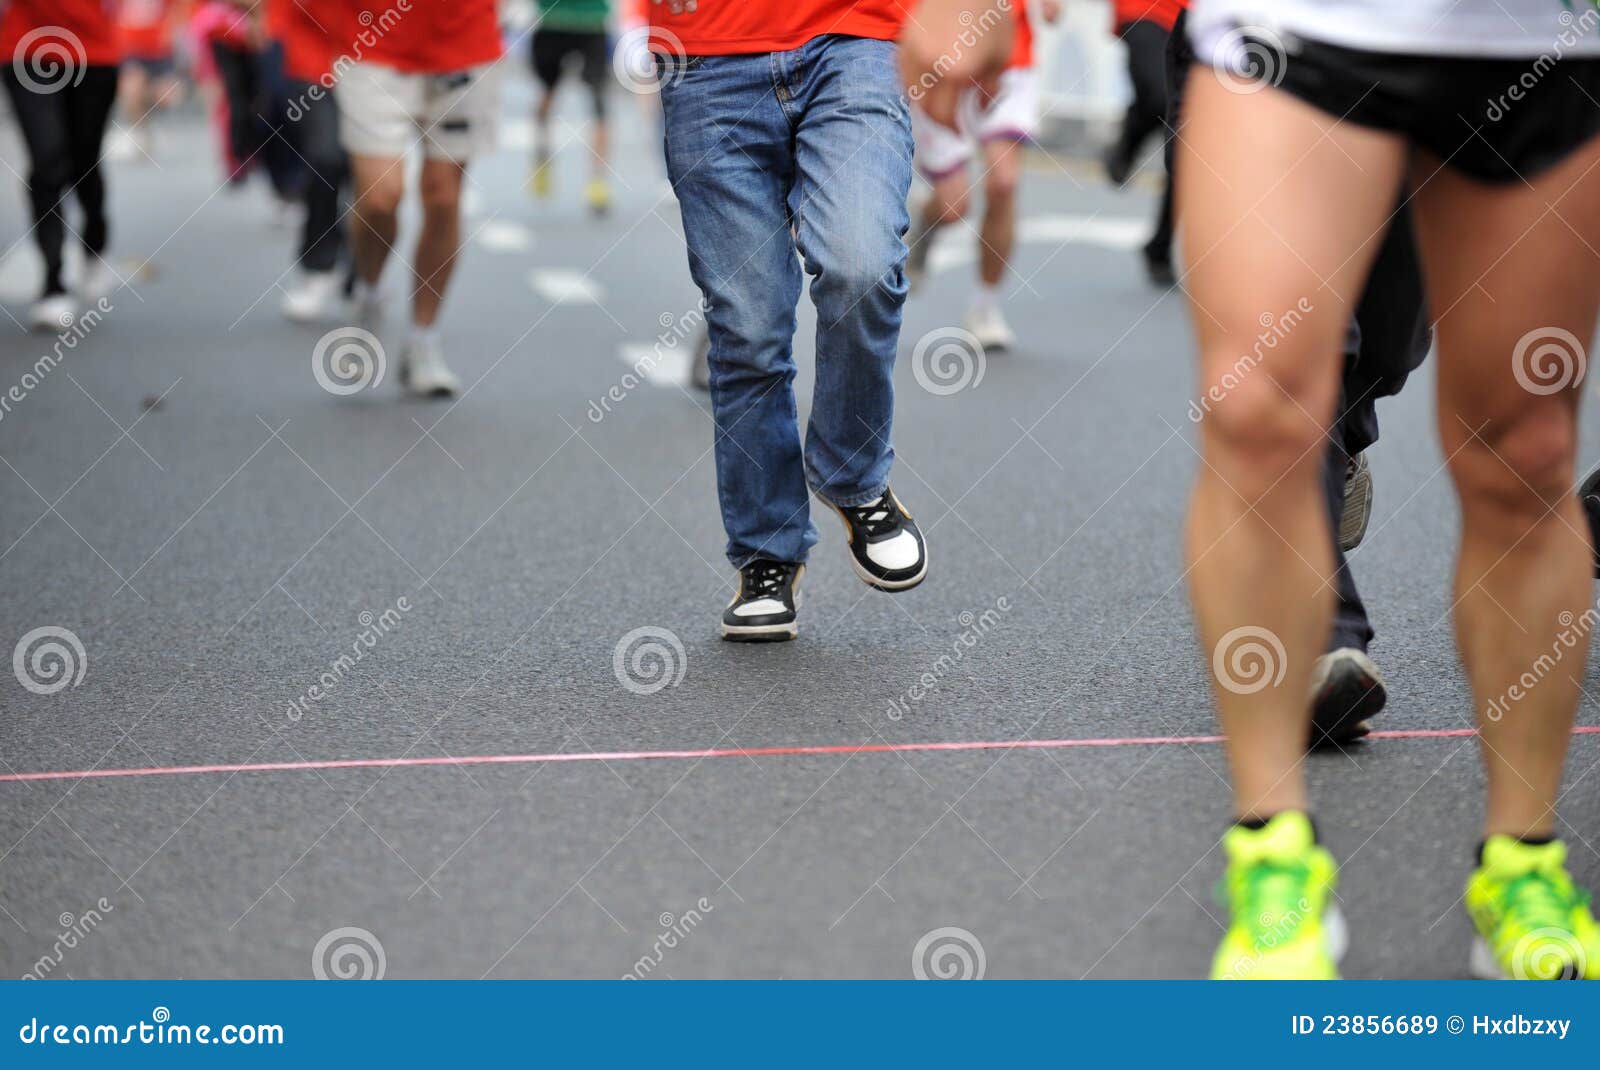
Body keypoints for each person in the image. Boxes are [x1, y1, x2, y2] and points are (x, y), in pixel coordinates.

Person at [1178, 0, 1600, 978]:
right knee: (1257, 409)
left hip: (1540, 30)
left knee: (1524, 447)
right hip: (1298, 25)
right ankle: (1273, 862)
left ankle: (1521, 864)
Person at [1162, 5, 1434, 748]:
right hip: (1262, 39)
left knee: (1388, 343)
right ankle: (1324, 639)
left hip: (1437, 44)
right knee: (1288, 368)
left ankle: (1343, 438)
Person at [651, 0, 932, 641]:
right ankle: (766, 552)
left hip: (855, 38)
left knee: (861, 266)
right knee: (747, 327)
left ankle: (854, 477)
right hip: (706, 56)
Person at [336, 0, 506, 398]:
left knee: (443, 196)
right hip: (373, 39)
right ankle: (370, 288)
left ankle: (422, 339)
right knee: (381, 195)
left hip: (464, 41)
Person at [904, 1, 1058, 353]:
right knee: (953, 207)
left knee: (1004, 182)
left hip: (1009, 65)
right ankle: (925, 229)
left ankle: (985, 306)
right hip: (943, 63)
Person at [1, 0, 122, 330]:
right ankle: (53, 282)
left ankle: (94, 243)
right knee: (47, 160)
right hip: (26, 48)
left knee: (84, 164)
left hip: (93, 52)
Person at [269, 0, 347, 322]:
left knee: (372, 179)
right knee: (326, 159)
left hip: (378, 66)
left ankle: (363, 272)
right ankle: (318, 266)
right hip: (311, 65)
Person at [1102, 0, 1183, 285]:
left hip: (1207, 22)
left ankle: (1159, 246)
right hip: (1145, 9)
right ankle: (1128, 142)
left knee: (1188, 146)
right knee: (1158, 98)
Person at [528, 0, 612, 215]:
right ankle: (542, 154)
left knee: (599, 104)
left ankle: (598, 181)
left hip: (592, 24)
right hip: (552, 23)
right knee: (547, 96)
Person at [116, 0, 182, 160]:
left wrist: (174, 31)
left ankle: (146, 108)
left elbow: (180, 10)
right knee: (131, 91)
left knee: (168, 97)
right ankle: (139, 133)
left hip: (160, 51)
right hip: (131, 50)